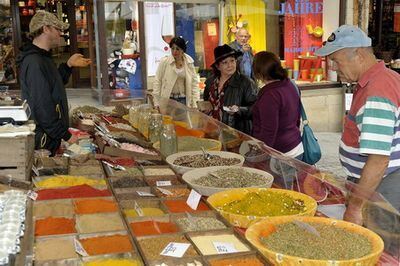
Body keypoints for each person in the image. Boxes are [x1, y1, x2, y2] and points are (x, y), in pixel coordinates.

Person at [315, 25, 400, 223]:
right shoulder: (384, 78)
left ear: (359, 55)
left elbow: (379, 160)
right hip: (380, 184)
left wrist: (355, 207)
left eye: (336, 61)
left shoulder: (376, 92)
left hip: (383, 186)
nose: (333, 68)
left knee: (382, 248)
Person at [16, 10, 91, 156]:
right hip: (45, 141)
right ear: (45, 29)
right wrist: (66, 136)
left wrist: (68, 65)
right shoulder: (34, 62)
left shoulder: (43, 57)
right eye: (57, 29)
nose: (60, 33)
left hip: (51, 136)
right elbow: (42, 107)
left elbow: (54, 85)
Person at [252, 51, 303, 159]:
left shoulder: (270, 95)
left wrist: (261, 155)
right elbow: (297, 118)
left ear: (259, 72)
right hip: (296, 146)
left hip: (281, 153)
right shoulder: (290, 84)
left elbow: (269, 131)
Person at [202, 44, 257, 135]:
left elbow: (256, 108)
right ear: (217, 66)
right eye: (225, 62)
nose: (230, 65)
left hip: (235, 133)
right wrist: (205, 108)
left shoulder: (246, 83)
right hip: (212, 130)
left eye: (232, 61)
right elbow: (206, 101)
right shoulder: (210, 82)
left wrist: (239, 110)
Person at [152, 36, 200, 107]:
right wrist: (156, 102)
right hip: (168, 100)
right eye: (172, 48)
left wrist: (195, 102)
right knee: (168, 118)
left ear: (183, 50)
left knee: (183, 118)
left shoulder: (189, 63)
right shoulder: (164, 62)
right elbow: (157, 81)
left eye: (177, 49)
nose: (174, 51)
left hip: (183, 100)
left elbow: (194, 84)